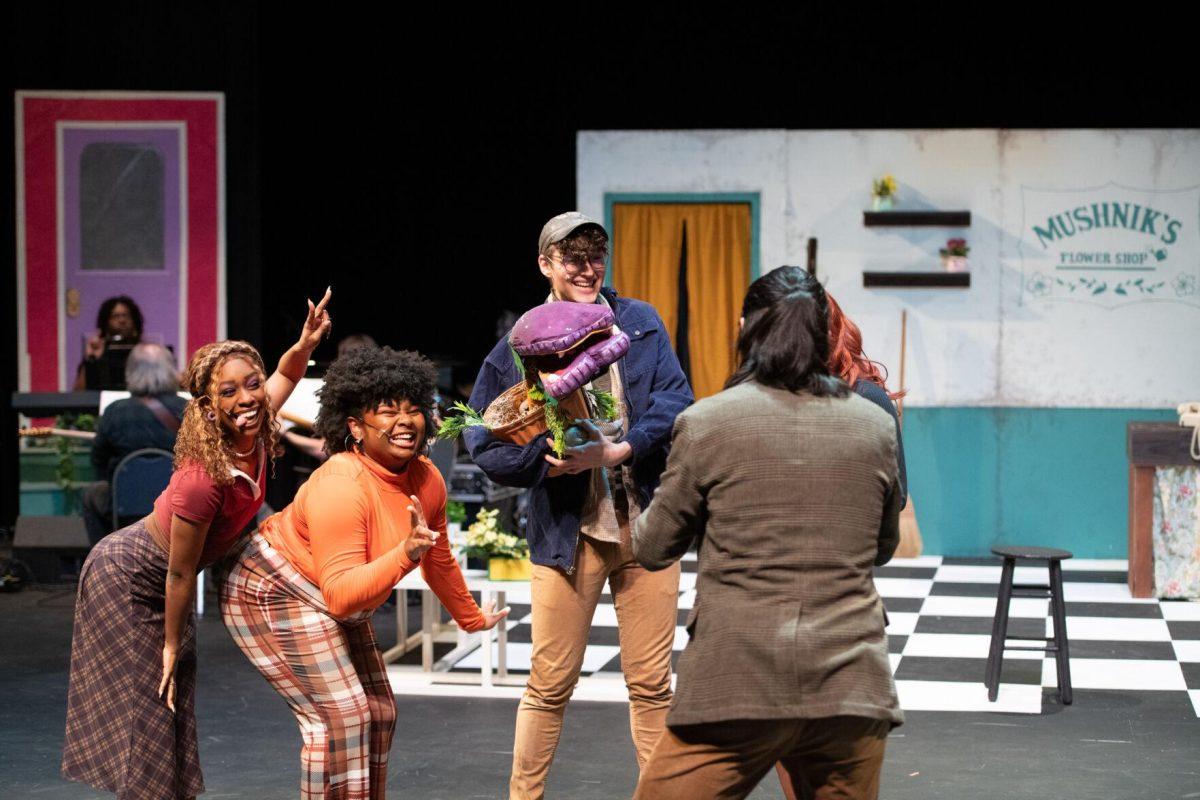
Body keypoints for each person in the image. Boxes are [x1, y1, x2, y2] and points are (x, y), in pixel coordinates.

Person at [631, 268, 903, 800]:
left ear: (744, 328)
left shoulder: (709, 422)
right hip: (850, 684)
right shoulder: (874, 425)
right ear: (825, 333)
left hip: (736, 681)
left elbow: (652, 546)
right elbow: (883, 548)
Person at [62, 290, 332, 799]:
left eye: (252, 385)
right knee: (152, 700)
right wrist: (170, 642)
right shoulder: (202, 478)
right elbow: (180, 574)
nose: (248, 398)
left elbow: (288, 374)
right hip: (127, 577)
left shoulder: (255, 421)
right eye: (228, 393)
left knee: (174, 698)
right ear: (209, 408)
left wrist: (304, 343)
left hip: (159, 577)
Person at [464, 212, 693, 799]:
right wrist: (547, 456)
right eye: (574, 259)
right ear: (546, 264)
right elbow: (483, 441)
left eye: (597, 256)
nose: (589, 270)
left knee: (651, 684)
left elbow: (675, 400)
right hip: (570, 536)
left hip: (645, 531)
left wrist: (623, 448)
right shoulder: (521, 343)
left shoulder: (637, 322)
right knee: (549, 682)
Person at [219, 345, 509, 799]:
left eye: (414, 410)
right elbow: (341, 597)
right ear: (355, 426)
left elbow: (438, 557)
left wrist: (471, 618)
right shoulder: (342, 484)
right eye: (388, 412)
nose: (405, 422)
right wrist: (402, 555)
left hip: (326, 586)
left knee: (379, 710)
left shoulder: (427, 478)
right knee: (338, 716)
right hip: (268, 588)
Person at [82, 342, 185, 544]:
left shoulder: (115, 411)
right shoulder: (187, 410)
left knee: (91, 496)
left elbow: (98, 460)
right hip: (178, 505)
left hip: (125, 506)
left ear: (131, 372)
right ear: (169, 370)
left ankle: (105, 555)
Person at [74, 295, 144, 390]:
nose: (122, 320)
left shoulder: (144, 352)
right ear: (106, 322)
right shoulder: (97, 352)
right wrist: (91, 359)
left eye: (126, 315)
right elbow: (79, 393)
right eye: (116, 316)